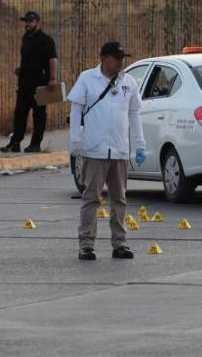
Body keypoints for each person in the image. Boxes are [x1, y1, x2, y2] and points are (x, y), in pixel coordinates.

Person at [67, 42, 146, 261]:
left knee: (119, 199)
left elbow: (134, 114)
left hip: (119, 150)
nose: (121, 62)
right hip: (95, 150)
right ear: (103, 58)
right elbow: (76, 110)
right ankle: (86, 245)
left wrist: (139, 144)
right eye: (116, 58)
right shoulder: (87, 79)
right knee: (91, 198)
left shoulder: (128, 82)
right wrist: (75, 140)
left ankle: (119, 243)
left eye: (123, 58)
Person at [0, 11, 58, 154]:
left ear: (37, 22)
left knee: (39, 115)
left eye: (30, 22)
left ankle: (35, 144)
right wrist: (22, 69)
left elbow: (52, 59)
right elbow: (29, 59)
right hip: (25, 83)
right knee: (19, 113)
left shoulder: (46, 40)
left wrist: (53, 78)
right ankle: (15, 142)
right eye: (25, 22)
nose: (27, 24)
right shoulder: (26, 38)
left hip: (40, 83)